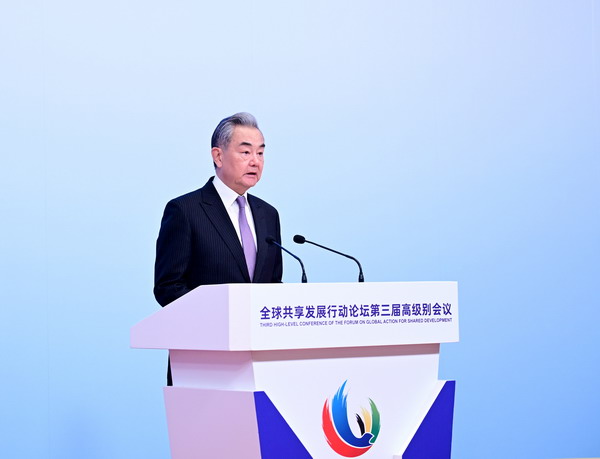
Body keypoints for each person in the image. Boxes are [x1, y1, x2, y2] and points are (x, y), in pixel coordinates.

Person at [153, 112, 283, 384]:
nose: (255, 161)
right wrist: (222, 321)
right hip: (204, 359)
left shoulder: (268, 215)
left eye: (260, 153)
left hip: (260, 360)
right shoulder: (186, 210)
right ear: (218, 156)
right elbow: (168, 287)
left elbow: (273, 284)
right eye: (245, 152)